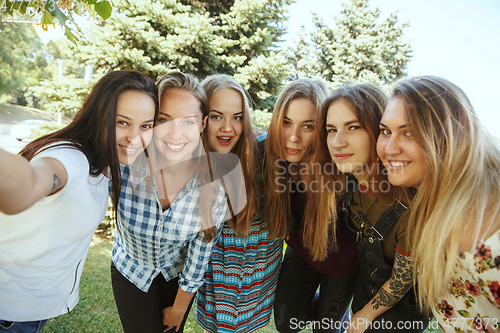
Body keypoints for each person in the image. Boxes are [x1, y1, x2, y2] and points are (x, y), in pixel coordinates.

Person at [0, 70, 158, 333]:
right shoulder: (73, 160)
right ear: (100, 117)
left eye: (146, 126)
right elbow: (31, 182)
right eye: (121, 122)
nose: (134, 137)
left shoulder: (104, 163)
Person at [377, 76, 500, 333]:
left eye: (408, 132)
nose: (389, 148)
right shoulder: (432, 202)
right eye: (386, 131)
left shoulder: (487, 224)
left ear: (449, 137)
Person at [110, 71, 227, 333]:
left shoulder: (213, 188)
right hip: (130, 269)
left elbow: (199, 257)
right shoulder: (126, 164)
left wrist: (179, 309)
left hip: (176, 278)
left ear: (203, 123)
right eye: (164, 120)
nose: (175, 134)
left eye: (188, 122)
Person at [315, 83, 431, 333]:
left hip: (403, 309)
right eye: (331, 130)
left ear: (378, 130)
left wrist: (364, 316)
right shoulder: (348, 183)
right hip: (366, 287)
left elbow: (402, 281)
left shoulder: (410, 207)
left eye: (353, 127)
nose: (337, 142)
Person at [266, 78, 358, 333]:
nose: (293, 137)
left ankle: (338, 316)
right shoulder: (275, 160)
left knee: (327, 329)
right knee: (286, 322)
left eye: (307, 126)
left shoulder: (342, 167)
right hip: (302, 250)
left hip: (342, 262)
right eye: (286, 123)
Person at [196, 74, 283, 333]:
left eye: (237, 117)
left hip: (256, 276)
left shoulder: (264, 150)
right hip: (216, 282)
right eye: (216, 116)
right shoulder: (193, 160)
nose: (228, 128)